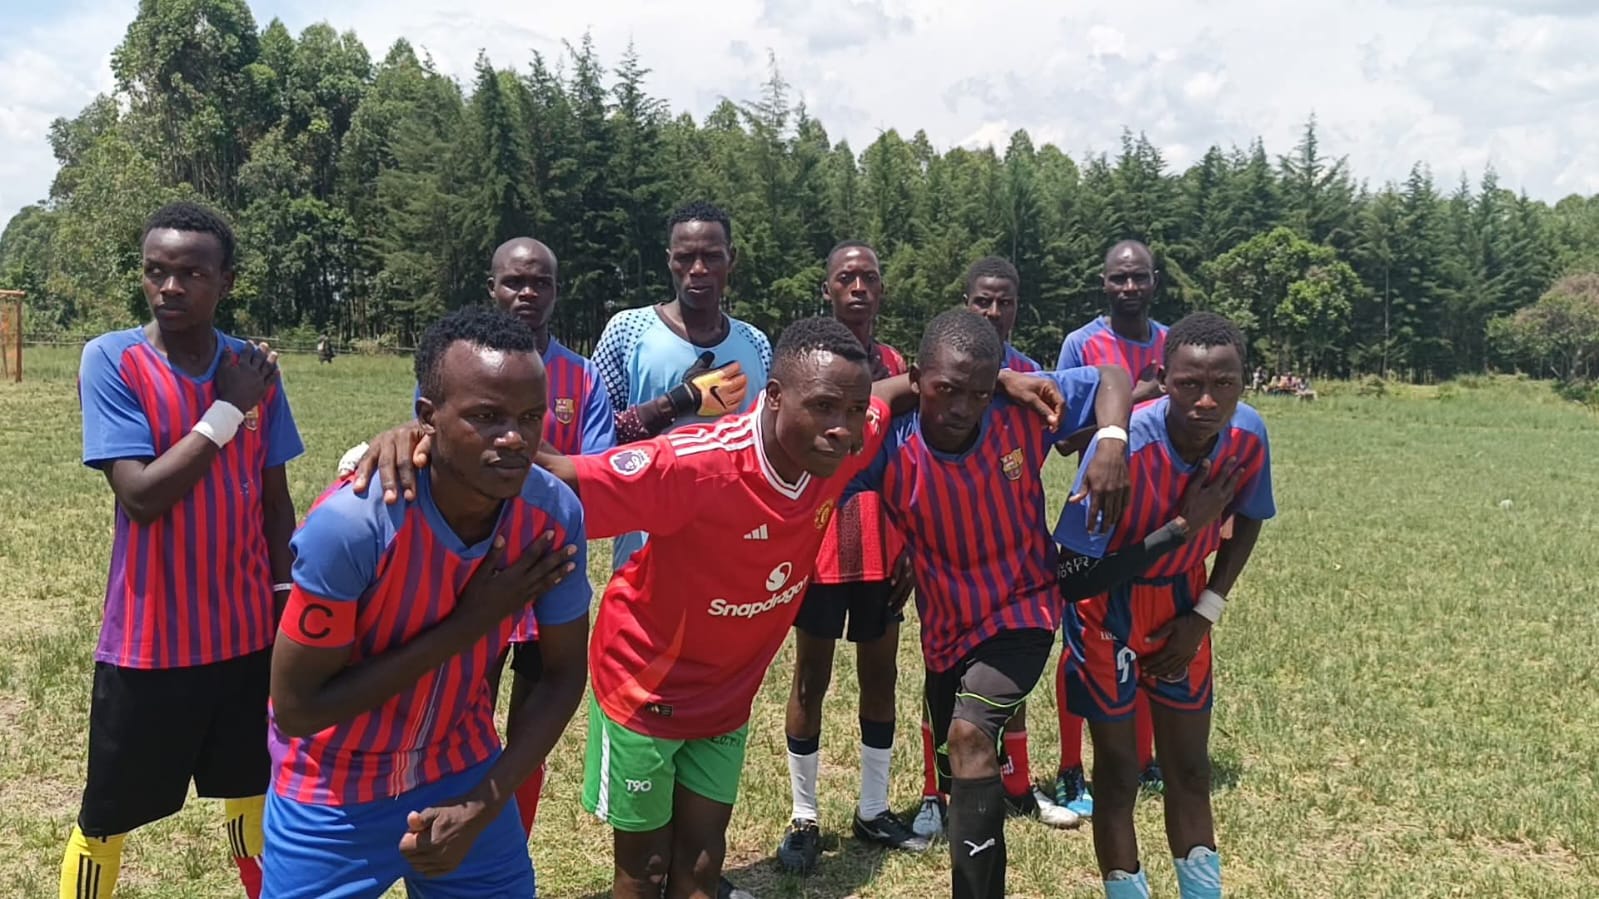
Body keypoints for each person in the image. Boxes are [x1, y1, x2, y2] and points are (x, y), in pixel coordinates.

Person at [262, 307, 590, 898]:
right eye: (486, 417)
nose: (514, 438)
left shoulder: (551, 515)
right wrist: (469, 625)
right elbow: (298, 709)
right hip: (332, 789)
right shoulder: (354, 525)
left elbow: (563, 674)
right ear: (427, 417)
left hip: (460, 765)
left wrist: (483, 803)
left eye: (530, 417)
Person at [846, 308, 1132, 899]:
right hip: (946, 631)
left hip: (1023, 610)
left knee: (970, 735)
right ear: (917, 378)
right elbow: (846, 408)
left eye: (977, 393)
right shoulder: (888, 443)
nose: (960, 407)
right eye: (945, 389)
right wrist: (995, 378)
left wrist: (1111, 439)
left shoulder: (1019, 413)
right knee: (962, 778)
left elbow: (1111, 377)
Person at [65, 201, 303, 899]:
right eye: (156, 271)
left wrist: (286, 601)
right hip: (149, 644)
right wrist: (227, 409)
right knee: (106, 817)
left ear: (225, 281)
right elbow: (142, 495)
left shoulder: (253, 368)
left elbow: (275, 500)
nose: (169, 286)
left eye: (191, 273)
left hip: (246, 635)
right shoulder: (113, 360)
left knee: (254, 792)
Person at [1055, 312, 1276, 899]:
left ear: (1244, 381)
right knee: (1120, 775)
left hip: (1183, 606)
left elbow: (1250, 517)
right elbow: (1072, 579)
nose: (1207, 401)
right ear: (1162, 377)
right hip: (1106, 613)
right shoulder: (1121, 450)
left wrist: (1204, 614)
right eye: (1189, 384)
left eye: (1224, 384)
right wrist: (1181, 528)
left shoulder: (1248, 435)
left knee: (1191, 771)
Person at [777, 242, 924, 875]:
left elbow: (912, 455)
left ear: (881, 289)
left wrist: (911, 538)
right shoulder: (809, 362)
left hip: (882, 537)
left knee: (880, 673)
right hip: (817, 535)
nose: (858, 287)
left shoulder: (897, 367)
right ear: (828, 288)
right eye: (846, 277)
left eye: (869, 277)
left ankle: (872, 807)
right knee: (810, 676)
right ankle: (803, 815)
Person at [917, 255, 1072, 835]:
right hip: (945, 559)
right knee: (943, 677)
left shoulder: (1035, 375)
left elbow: (1068, 433)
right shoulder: (946, 363)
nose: (993, 311)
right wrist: (998, 380)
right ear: (966, 303)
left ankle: (1018, 784)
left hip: (1014, 554)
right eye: (983, 300)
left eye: (1005, 301)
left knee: (1004, 684)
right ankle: (934, 793)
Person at [1051, 240, 1171, 817]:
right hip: (1096, 516)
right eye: (1119, 278)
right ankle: (1070, 767)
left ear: (1154, 280)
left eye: (1138, 277)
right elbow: (1062, 438)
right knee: (1081, 643)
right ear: (1103, 282)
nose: (1129, 287)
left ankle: (1144, 759)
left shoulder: (1173, 343)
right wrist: (1134, 397)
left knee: (1148, 635)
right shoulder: (1082, 345)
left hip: (1158, 510)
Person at [591, 200, 770, 573]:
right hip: (646, 543)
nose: (698, 269)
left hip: (734, 542)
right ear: (669, 259)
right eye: (686, 258)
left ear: (732, 259)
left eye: (712, 257)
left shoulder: (755, 343)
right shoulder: (627, 331)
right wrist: (676, 402)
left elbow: (767, 444)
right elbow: (595, 442)